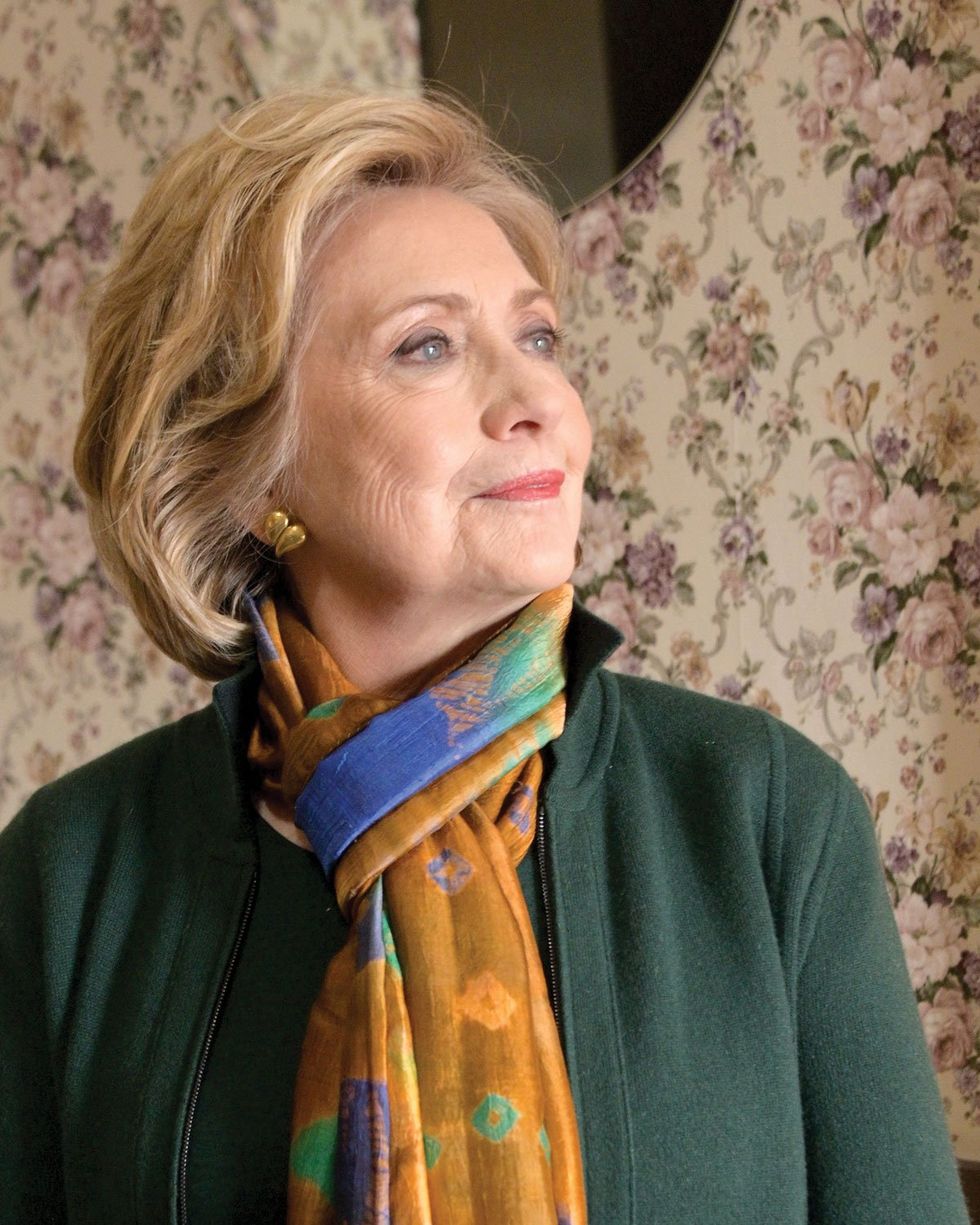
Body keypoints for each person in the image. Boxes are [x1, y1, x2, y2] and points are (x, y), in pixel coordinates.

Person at [0, 87, 969, 1225]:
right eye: (428, 346)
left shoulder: (762, 818)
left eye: (538, 337)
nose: (536, 399)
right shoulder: (69, 874)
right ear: (251, 470)